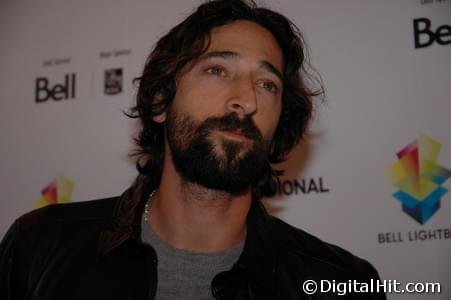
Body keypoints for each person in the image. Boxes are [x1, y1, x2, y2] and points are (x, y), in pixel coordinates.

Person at [0, 0, 386, 299]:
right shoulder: (38, 248)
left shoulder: (343, 282)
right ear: (159, 102)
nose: (245, 101)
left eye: (267, 84)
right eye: (217, 70)